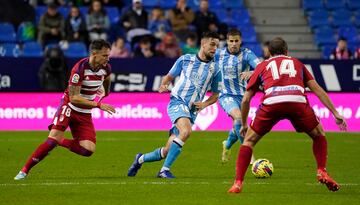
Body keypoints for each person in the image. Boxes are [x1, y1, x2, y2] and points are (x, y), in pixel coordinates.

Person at [228, 37, 347, 193]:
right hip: (297, 101)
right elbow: (318, 90)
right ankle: (321, 170)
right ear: (286, 51)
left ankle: (238, 183)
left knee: (248, 142)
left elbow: (246, 100)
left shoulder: (263, 65)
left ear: (269, 52)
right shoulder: (297, 64)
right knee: (319, 134)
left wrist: (243, 124)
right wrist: (336, 113)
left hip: (271, 102)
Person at [14, 39, 116, 180]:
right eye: (105, 55)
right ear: (94, 54)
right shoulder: (79, 68)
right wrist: (98, 105)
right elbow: (74, 97)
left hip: (84, 112)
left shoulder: (106, 68)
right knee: (51, 141)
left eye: (108, 55)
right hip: (69, 107)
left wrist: (106, 91)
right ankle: (24, 171)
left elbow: (107, 79)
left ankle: (60, 141)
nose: (108, 58)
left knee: (88, 150)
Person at [127, 31, 221, 178]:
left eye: (217, 46)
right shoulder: (185, 60)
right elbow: (169, 76)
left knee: (166, 150)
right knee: (186, 131)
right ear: (203, 44)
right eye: (212, 44)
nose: (215, 48)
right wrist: (164, 85)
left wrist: (204, 104)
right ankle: (164, 171)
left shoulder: (215, 69)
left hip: (192, 110)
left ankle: (139, 159)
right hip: (177, 101)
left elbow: (215, 95)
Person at [216, 28, 260, 163]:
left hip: (243, 96)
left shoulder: (247, 54)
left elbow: (261, 67)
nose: (234, 44)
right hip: (225, 95)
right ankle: (250, 157)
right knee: (239, 119)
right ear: (227, 42)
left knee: (239, 124)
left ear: (240, 41)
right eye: (231, 41)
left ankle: (227, 144)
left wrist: (251, 73)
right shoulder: (219, 54)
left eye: (236, 41)